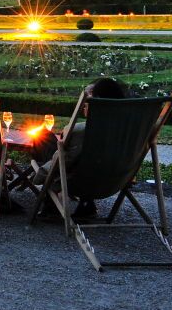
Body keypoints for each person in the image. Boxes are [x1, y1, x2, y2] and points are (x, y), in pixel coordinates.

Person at [38, 77, 131, 219]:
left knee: (45, 138)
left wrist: (41, 173)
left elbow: (64, 160)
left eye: (87, 104)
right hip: (117, 179)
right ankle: (87, 204)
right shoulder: (131, 130)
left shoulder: (81, 131)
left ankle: (52, 204)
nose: (84, 108)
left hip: (79, 181)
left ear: (97, 104)